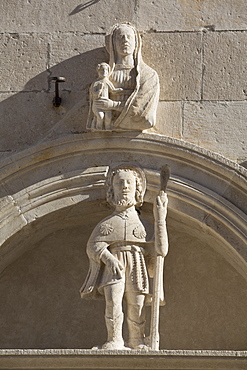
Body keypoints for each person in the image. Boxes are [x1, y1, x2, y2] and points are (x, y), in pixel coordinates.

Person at [80, 164, 168, 350]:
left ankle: (137, 340)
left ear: (138, 190)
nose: (125, 187)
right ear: (112, 190)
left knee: (138, 306)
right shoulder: (107, 224)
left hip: (137, 263)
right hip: (115, 265)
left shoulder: (144, 224)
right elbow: (93, 245)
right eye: (120, 183)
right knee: (113, 303)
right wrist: (108, 258)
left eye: (129, 183)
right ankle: (115, 339)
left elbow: (161, 250)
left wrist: (160, 218)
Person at [86, 23, 160, 131]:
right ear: (113, 44)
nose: (125, 40)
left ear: (136, 43)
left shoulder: (148, 75)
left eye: (129, 37)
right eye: (120, 37)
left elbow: (142, 111)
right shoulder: (105, 74)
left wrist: (112, 105)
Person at [89, 62, 124, 130]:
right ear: (98, 71)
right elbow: (94, 94)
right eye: (102, 70)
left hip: (106, 103)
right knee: (101, 116)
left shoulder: (107, 81)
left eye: (106, 70)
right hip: (97, 104)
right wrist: (100, 89)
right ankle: (99, 129)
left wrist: (119, 90)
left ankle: (108, 129)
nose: (104, 72)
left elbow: (113, 90)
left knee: (108, 117)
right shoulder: (96, 83)